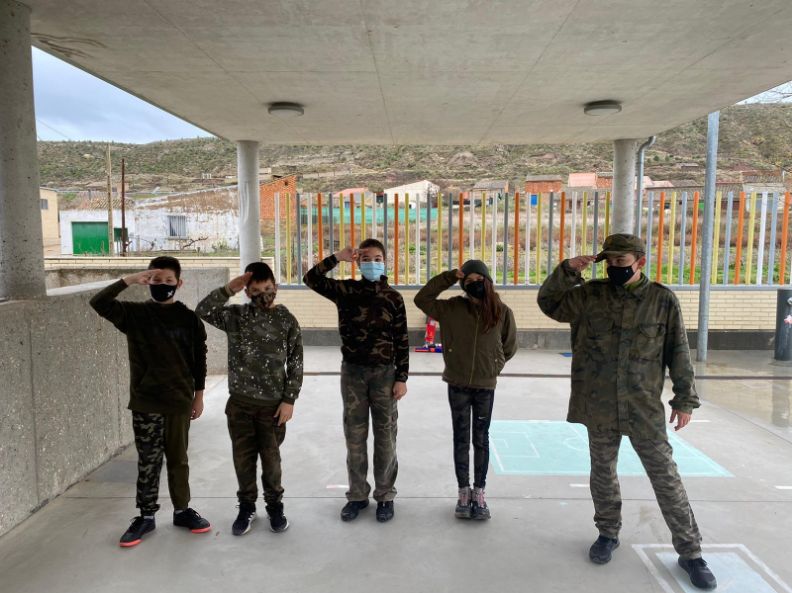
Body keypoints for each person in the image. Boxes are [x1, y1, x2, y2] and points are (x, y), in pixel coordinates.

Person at [537, 233, 717, 590]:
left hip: (642, 406)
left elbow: (678, 351)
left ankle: (691, 552)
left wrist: (685, 399)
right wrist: (567, 270)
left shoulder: (661, 300)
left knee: (665, 477)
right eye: (610, 262)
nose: (615, 268)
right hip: (599, 403)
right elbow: (550, 303)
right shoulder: (590, 295)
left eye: (622, 262)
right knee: (603, 472)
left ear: (640, 261)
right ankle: (607, 533)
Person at [89, 256, 210, 547]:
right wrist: (129, 280)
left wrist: (199, 396)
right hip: (146, 402)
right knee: (149, 461)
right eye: (156, 280)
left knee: (179, 460)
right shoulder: (134, 315)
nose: (162, 285)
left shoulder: (189, 319)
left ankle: (182, 511)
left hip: (179, 401)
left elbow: (199, 359)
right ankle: (145, 516)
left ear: (179, 283)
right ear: (148, 282)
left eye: (169, 280)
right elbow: (99, 302)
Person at [303, 238, 409, 523]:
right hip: (353, 374)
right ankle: (358, 495)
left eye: (377, 259)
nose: (372, 263)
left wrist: (401, 378)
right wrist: (337, 257)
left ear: (385, 262)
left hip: (385, 375)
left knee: (385, 438)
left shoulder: (393, 298)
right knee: (355, 437)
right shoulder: (345, 291)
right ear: (358, 262)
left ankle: (385, 495)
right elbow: (311, 279)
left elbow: (402, 340)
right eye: (366, 259)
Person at [196, 261, 303, 536]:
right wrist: (229, 289)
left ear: (275, 287)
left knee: (271, 463)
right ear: (247, 292)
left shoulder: (286, 319)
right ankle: (246, 507)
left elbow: (296, 362)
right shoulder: (236, 316)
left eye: (267, 289)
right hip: (240, 406)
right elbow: (203, 310)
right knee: (243, 461)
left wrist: (289, 400)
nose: (262, 295)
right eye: (255, 291)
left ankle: (275, 506)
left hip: (272, 408)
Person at [414, 260, 517, 520]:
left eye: (478, 279)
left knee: (481, 439)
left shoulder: (502, 311)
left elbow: (509, 345)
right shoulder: (451, 308)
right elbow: (421, 299)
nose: (474, 284)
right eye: (468, 281)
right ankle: (463, 491)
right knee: (461, 438)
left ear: (488, 281)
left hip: (485, 386)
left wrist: (493, 365)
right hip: (457, 384)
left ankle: (479, 492)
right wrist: (449, 276)